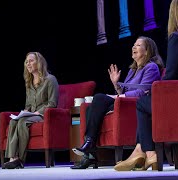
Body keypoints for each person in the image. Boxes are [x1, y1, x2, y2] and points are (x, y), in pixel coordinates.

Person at [114, 0, 178, 171]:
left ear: (174, 13)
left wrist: (154, 89)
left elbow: (171, 75)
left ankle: (148, 153)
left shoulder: (176, 37)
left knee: (143, 103)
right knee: (148, 103)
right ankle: (141, 152)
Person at [70, 36, 164, 169]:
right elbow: (123, 92)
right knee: (90, 108)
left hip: (136, 105)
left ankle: (89, 148)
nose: (133, 47)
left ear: (147, 50)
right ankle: (89, 153)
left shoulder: (151, 67)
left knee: (99, 98)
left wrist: (118, 97)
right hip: (125, 103)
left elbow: (143, 92)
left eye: (138, 45)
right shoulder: (133, 70)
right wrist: (116, 85)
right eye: (133, 45)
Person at [3, 52, 59, 169]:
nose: (28, 64)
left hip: (44, 114)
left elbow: (52, 103)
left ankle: (20, 160)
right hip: (32, 114)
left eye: (31, 61)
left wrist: (38, 112)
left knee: (23, 122)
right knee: (14, 121)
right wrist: (25, 111)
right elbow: (28, 104)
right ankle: (12, 158)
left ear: (39, 63)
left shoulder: (50, 79)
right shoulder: (29, 83)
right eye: (26, 62)